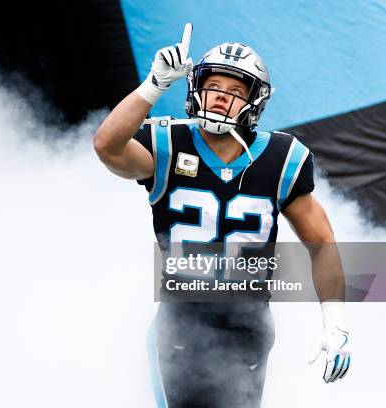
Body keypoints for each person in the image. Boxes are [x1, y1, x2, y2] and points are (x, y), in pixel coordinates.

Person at [93, 23, 352, 407]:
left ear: (255, 101)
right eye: (214, 86)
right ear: (197, 88)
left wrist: (336, 322)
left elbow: (322, 244)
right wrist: (154, 85)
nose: (220, 97)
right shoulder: (168, 141)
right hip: (180, 329)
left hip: (248, 331)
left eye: (235, 91)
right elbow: (107, 146)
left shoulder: (283, 158)